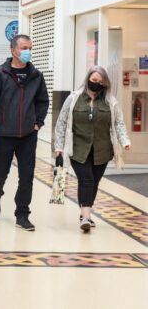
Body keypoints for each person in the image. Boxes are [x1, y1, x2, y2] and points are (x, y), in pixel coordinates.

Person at [0, 34, 49, 232]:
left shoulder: (36, 75)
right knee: (0, 172)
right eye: (24, 47)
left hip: (28, 135)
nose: (28, 51)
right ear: (13, 50)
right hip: (4, 134)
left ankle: (22, 214)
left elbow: (43, 101)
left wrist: (38, 122)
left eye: (30, 47)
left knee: (26, 176)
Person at [54, 66, 131, 232]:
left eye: (101, 82)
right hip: (78, 149)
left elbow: (118, 123)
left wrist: (124, 141)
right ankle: (87, 216)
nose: (97, 84)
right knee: (86, 180)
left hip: (102, 150)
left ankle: (84, 213)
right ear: (88, 79)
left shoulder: (110, 102)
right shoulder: (73, 98)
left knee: (94, 182)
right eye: (94, 80)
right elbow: (61, 122)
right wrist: (59, 146)